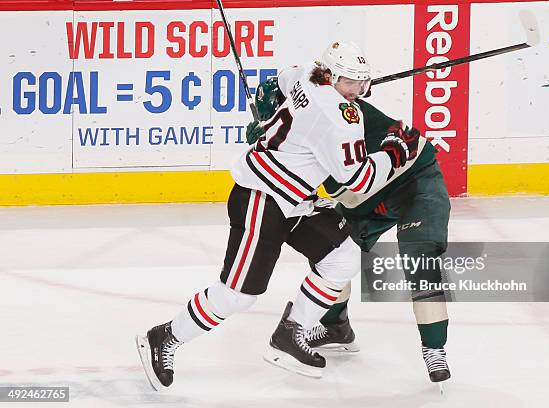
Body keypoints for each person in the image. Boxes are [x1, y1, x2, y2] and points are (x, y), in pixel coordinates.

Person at [136, 41, 414, 389]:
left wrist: (267, 116)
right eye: (350, 83)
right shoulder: (340, 117)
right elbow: (356, 180)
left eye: (362, 82)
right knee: (238, 295)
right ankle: (164, 337)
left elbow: (277, 82)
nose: (357, 91)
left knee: (343, 257)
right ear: (330, 76)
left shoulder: (308, 75)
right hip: (263, 198)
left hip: (296, 199)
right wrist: (395, 152)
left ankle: (290, 333)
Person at [248, 67, 452, 384]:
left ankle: (434, 348)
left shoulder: (332, 118)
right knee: (331, 251)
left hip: (414, 182)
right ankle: (335, 326)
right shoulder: (306, 121)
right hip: (370, 191)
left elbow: (353, 191)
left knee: (420, 257)